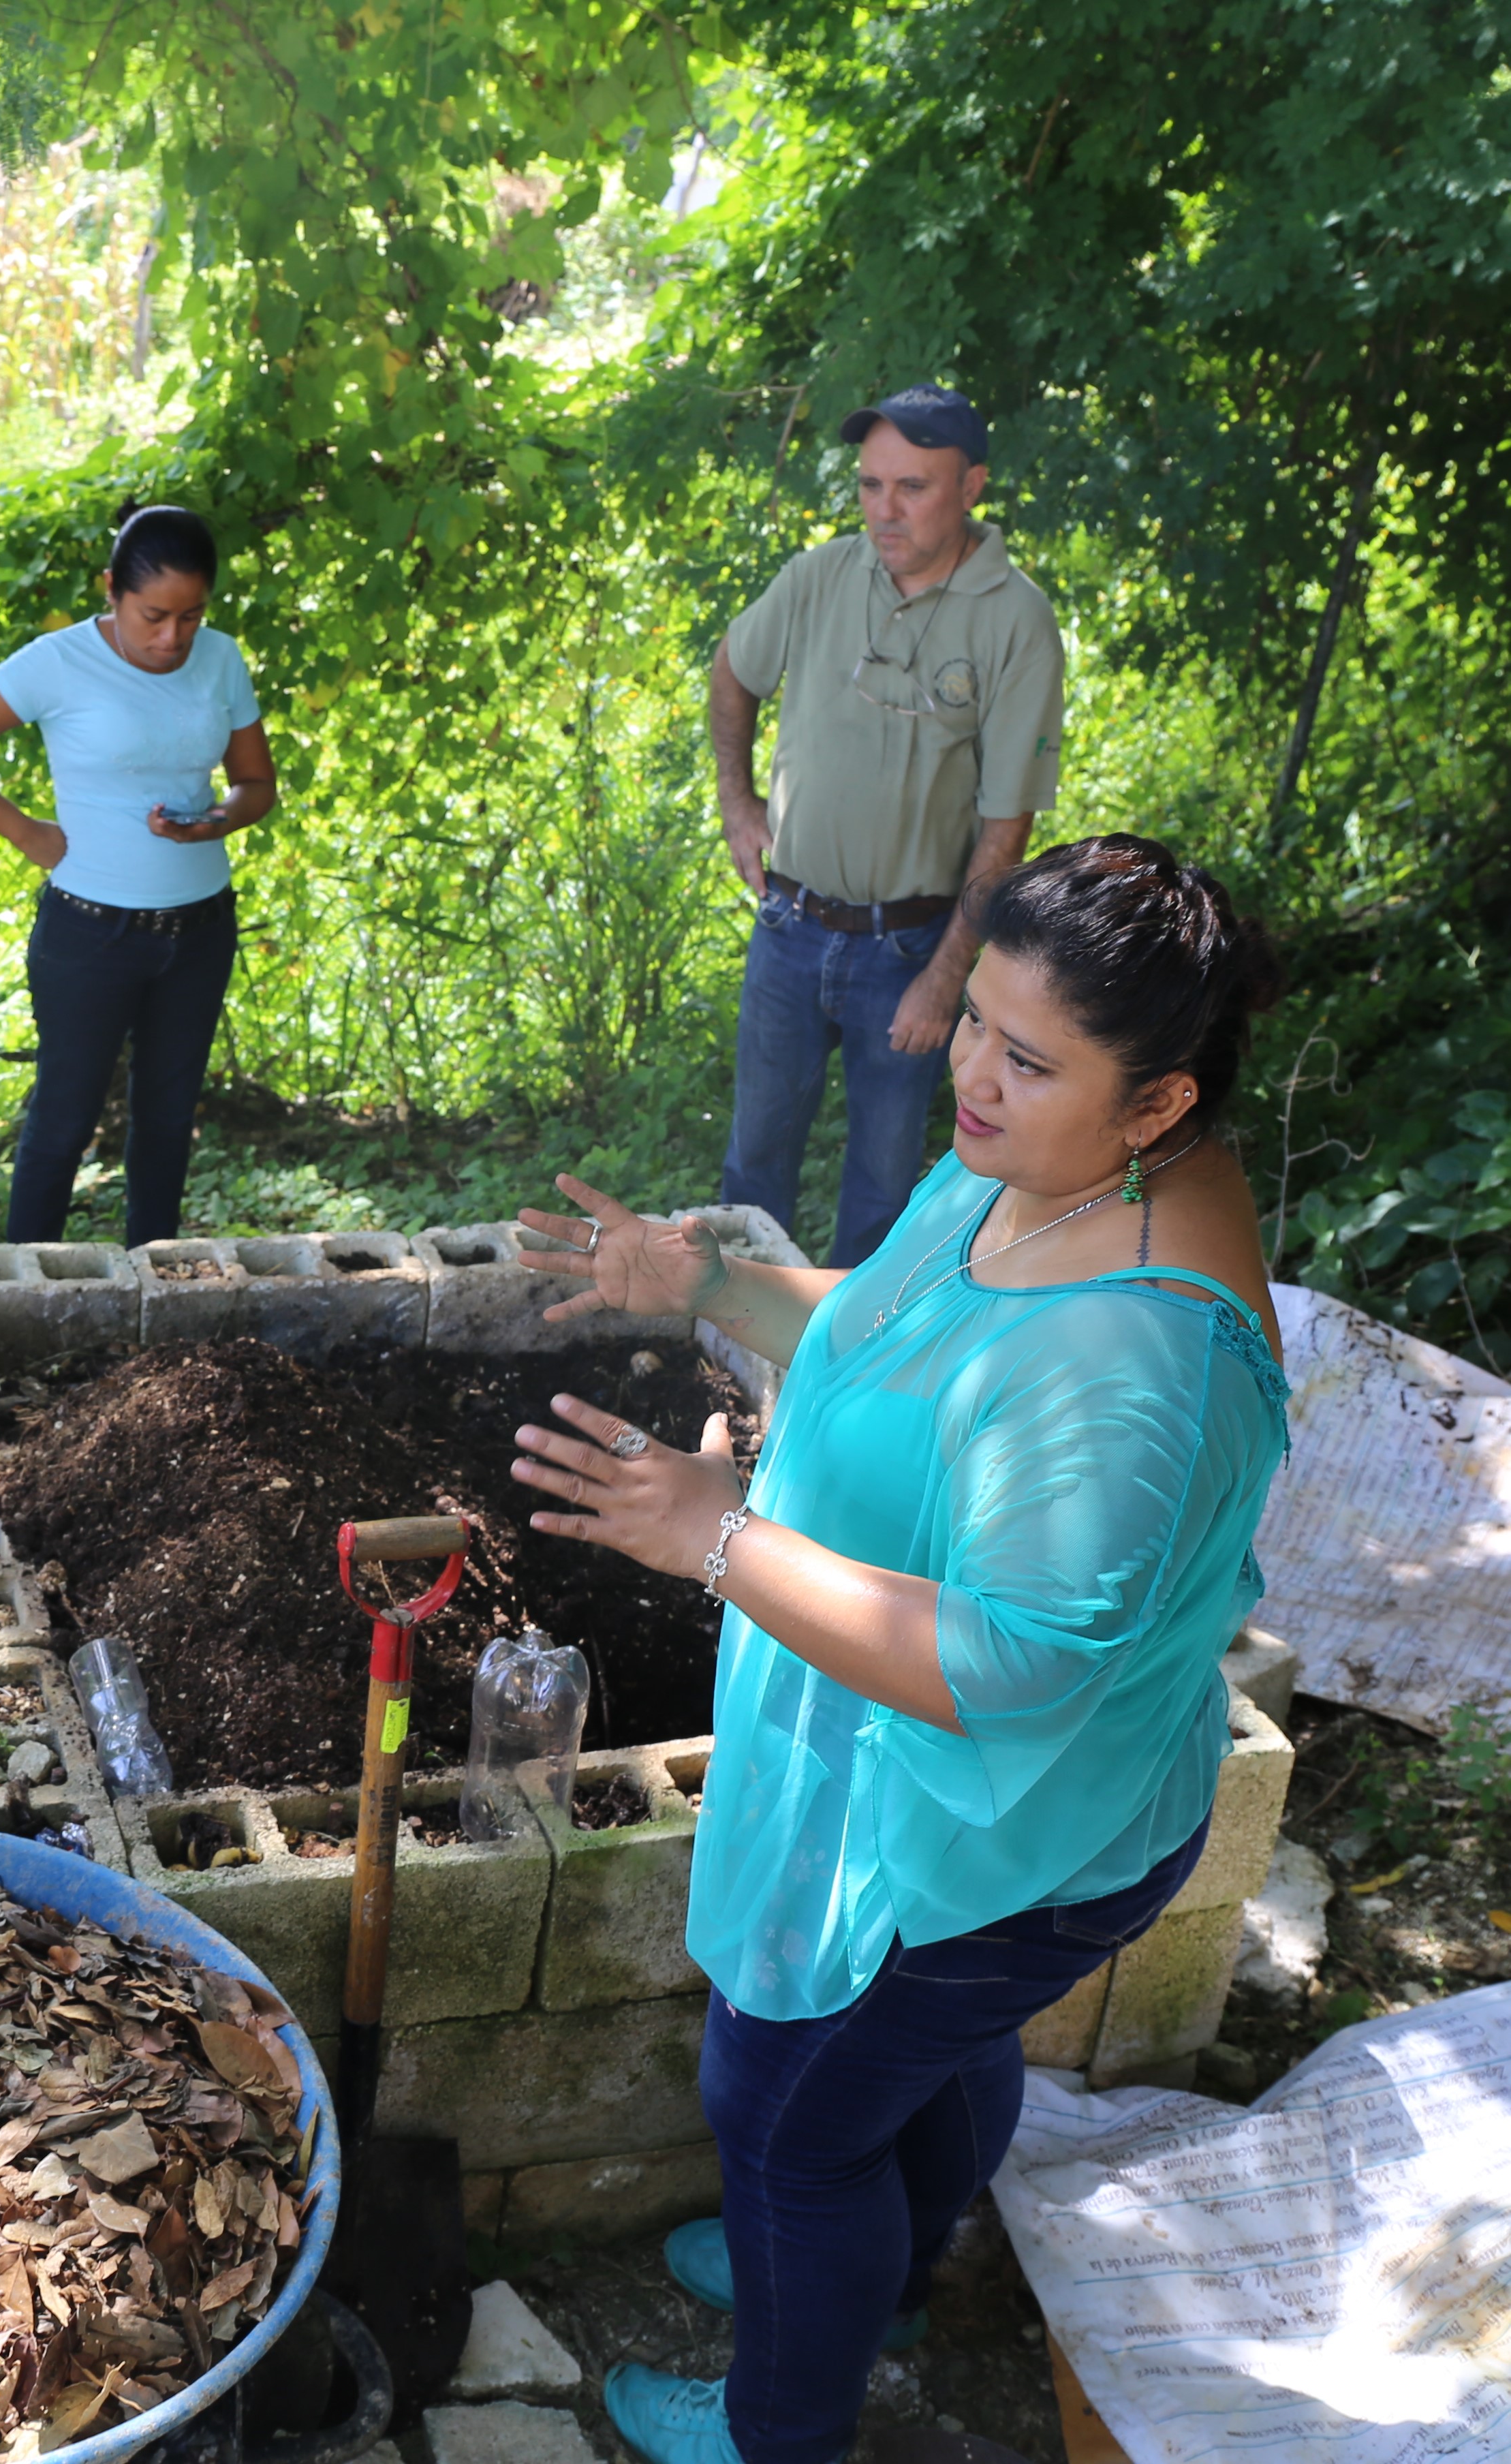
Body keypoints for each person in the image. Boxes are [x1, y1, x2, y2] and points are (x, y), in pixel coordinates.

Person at [511, 835, 1288, 2464]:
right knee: (906, 2072)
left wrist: (712, 1534)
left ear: (1155, 1104)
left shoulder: (1127, 1361)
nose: (967, 1074)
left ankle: (779, 2417)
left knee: (783, 2121)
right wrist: (710, 1277)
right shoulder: (1043, 1162)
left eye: (1023, 1055)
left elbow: (1012, 1664)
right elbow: (895, 1321)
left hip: (998, 1821)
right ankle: (885, 2269)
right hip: (932, 1783)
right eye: (974, 1021)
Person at [713, 383, 1065, 1265]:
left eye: (913, 487)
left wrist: (947, 982)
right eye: (872, 486)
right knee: (753, 1167)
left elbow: (1004, 830)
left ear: (973, 486)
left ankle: (847, 1379)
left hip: (908, 951)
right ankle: (731, 1356)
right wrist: (737, 803)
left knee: (880, 1193)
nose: (884, 509)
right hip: (789, 928)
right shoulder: (821, 576)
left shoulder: (1014, 619)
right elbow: (733, 670)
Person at [0, 504, 277, 1248]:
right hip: (91, 934)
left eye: (191, 617)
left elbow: (256, 784)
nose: (172, 637)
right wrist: (25, 832)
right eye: (153, 615)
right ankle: (24, 1298)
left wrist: (217, 821)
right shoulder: (58, 662)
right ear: (110, 588)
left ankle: (155, 1292)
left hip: (200, 929)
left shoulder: (223, 660)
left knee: (169, 1119)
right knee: (63, 1122)